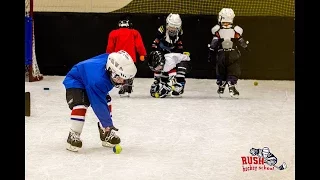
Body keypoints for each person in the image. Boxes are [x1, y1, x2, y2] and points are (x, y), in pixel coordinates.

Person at [62, 50, 137, 152]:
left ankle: (106, 133)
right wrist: (108, 124)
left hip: (89, 78)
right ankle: (73, 135)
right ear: (112, 72)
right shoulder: (98, 80)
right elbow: (98, 104)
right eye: (121, 79)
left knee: (107, 100)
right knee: (80, 105)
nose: (123, 82)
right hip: (76, 80)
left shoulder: (111, 62)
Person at [208, 8, 250, 98]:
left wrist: (211, 51)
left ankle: (222, 84)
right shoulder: (235, 30)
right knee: (233, 69)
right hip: (232, 54)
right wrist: (246, 47)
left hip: (222, 54)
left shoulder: (217, 31)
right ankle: (230, 85)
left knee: (222, 70)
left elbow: (214, 43)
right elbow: (240, 40)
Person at [148, 13, 190, 98]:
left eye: (175, 28)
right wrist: (155, 49)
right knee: (158, 63)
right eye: (171, 27)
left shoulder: (180, 33)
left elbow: (180, 44)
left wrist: (180, 52)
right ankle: (158, 80)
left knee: (173, 64)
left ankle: (177, 83)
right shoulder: (162, 29)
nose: (172, 30)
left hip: (172, 52)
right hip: (162, 51)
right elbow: (156, 40)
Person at [106, 18, 147, 97]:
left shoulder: (114, 33)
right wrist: (142, 54)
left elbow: (110, 47)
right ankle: (128, 84)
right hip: (131, 58)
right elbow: (139, 45)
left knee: (120, 72)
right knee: (129, 71)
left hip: (118, 58)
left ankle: (122, 84)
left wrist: (108, 56)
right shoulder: (134, 32)